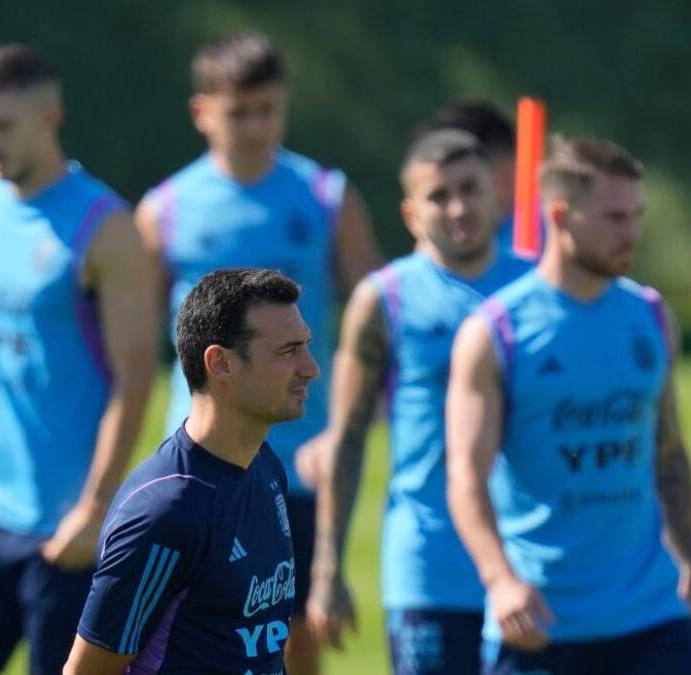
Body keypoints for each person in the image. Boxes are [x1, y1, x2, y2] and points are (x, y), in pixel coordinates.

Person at [134, 30, 381, 674]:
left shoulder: (325, 197)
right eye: (237, 112)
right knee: (191, 630)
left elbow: (376, 317)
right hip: (199, 460)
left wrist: (358, 415)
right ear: (202, 112)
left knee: (292, 635)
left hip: (301, 458)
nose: (253, 127)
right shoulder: (165, 210)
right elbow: (130, 343)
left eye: (267, 110)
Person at [0, 44, 157, 675]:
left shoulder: (106, 228)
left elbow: (134, 379)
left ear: (50, 118)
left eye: (2, 125)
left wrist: (96, 509)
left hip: (64, 526)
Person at [446, 136, 691, 675]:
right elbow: (466, 478)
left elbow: (668, 452)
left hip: (652, 617)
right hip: (542, 622)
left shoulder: (651, 317)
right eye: (614, 218)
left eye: (636, 216)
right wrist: (500, 581)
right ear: (560, 217)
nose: (631, 233)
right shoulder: (496, 333)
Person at [306, 129, 531, 674]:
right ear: (410, 214)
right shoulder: (384, 299)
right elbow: (346, 439)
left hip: (528, 561)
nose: (459, 207)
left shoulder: (536, 289)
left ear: (497, 196)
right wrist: (328, 568)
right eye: (439, 195)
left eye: (470, 189)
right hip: (428, 568)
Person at [65, 268, 317, 673]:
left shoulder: (265, 467)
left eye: (305, 346)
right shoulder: (167, 512)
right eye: (287, 351)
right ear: (221, 363)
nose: (310, 368)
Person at [420, 100, 518, 250]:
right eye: (440, 196)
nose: (458, 210)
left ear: (506, 175)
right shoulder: (434, 249)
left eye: (469, 188)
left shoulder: (549, 235)